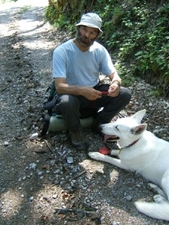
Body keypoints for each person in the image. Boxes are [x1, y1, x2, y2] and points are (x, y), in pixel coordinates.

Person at [52, 12, 132, 150]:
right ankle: (76, 132)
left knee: (125, 94)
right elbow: (59, 87)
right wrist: (82, 90)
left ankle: (100, 123)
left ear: (97, 35)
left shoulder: (99, 50)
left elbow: (115, 75)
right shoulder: (62, 51)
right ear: (78, 28)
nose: (87, 35)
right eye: (84, 29)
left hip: (94, 92)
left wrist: (115, 84)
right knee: (66, 102)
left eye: (92, 32)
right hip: (72, 94)